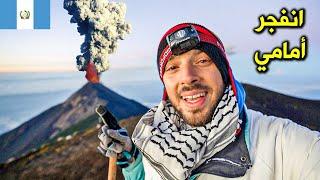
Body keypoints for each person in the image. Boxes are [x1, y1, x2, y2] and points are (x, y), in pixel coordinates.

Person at [97, 23, 320, 180]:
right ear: (164, 84)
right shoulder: (155, 140)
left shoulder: (281, 142)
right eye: (173, 67)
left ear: (225, 74)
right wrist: (133, 160)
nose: (187, 76)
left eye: (203, 60)